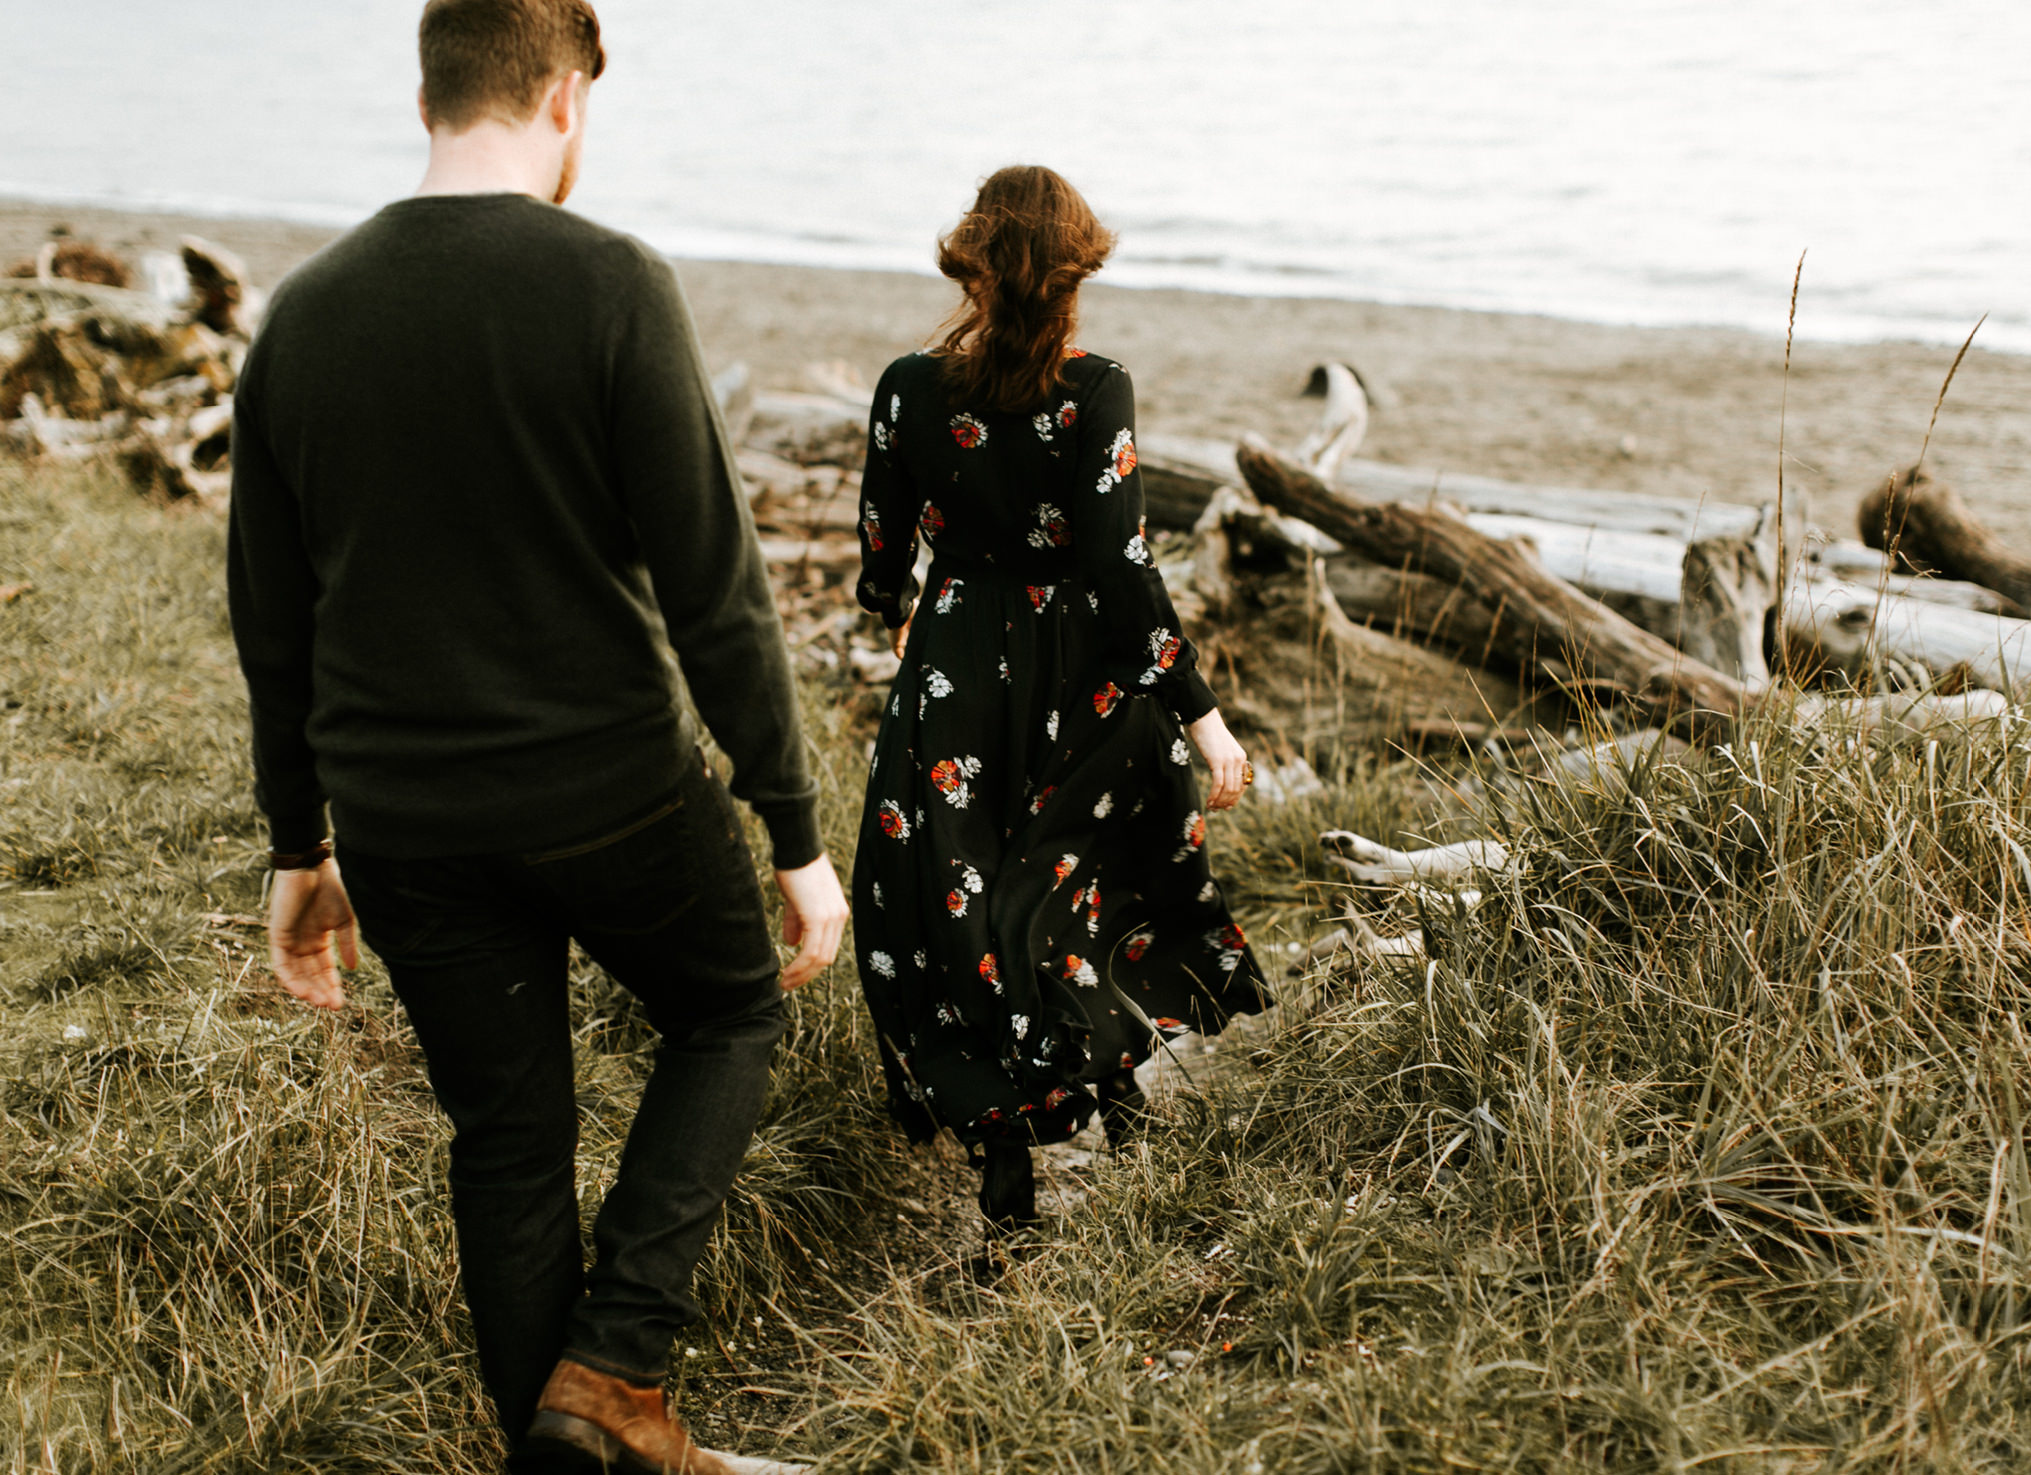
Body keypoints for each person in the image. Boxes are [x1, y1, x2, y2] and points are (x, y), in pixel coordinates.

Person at [226, 3, 837, 1470]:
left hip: (401, 819)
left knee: (507, 1135)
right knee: (732, 1009)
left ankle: (560, 1440)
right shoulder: (612, 283)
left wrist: (298, 846)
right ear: (562, 96)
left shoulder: (304, 314)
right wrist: (797, 831)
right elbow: (716, 587)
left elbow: (272, 621)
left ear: (428, 91)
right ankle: (616, 1367)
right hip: (607, 787)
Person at [849, 165, 1268, 1230]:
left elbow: (879, 554)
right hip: (1079, 665)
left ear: (971, 268)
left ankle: (1006, 1150)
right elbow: (1120, 565)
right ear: (1072, 278)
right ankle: (1116, 1080)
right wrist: (1200, 712)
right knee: (1094, 861)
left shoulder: (906, 386)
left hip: (953, 665)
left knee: (957, 890)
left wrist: (895, 603)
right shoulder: (1095, 389)